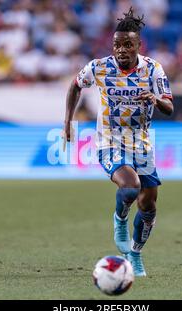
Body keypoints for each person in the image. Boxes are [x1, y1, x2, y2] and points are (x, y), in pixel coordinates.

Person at [63, 7, 173, 276]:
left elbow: (169, 107)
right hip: (109, 141)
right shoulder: (99, 67)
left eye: (127, 44)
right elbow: (75, 86)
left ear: (138, 45)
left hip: (142, 145)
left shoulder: (153, 70)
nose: (121, 49)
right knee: (130, 187)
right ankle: (120, 217)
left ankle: (134, 255)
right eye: (116, 44)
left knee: (149, 206)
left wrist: (155, 99)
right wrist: (67, 121)